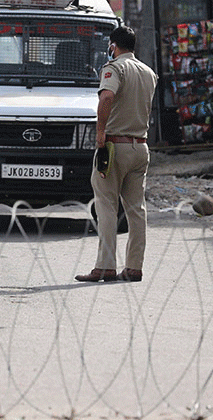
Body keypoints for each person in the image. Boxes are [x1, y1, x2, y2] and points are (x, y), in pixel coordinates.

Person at [76, 25, 157, 283]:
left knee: (107, 205)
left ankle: (105, 266)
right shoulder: (149, 73)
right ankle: (134, 267)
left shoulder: (114, 68)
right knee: (136, 209)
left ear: (113, 45)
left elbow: (107, 97)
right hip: (140, 147)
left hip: (114, 147)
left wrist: (100, 135)